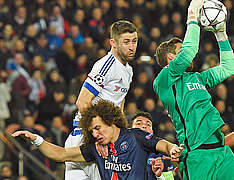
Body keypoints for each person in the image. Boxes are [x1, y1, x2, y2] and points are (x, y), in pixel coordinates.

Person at [152, 0, 234, 179]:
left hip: (221, 150)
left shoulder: (198, 77)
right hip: (196, 154)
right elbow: (190, 50)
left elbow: (229, 68)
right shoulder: (165, 79)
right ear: (171, 57)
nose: (187, 56)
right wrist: (192, 17)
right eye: (180, 51)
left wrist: (221, 34)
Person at [12, 100, 183, 180]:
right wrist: (36, 140)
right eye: (92, 130)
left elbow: (163, 144)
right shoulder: (96, 148)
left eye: (97, 128)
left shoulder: (135, 136)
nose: (95, 134)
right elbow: (61, 154)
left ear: (110, 121)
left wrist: (172, 149)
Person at [64, 20, 138, 180]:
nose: (132, 47)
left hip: (90, 138)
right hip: (88, 139)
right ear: (113, 43)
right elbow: (82, 102)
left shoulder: (128, 70)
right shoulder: (107, 65)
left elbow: (119, 104)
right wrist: (97, 136)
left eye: (134, 41)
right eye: (126, 42)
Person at [131, 111, 175, 180]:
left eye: (148, 125)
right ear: (130, 129)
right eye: (139, 123)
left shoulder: (162, 156)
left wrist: (159, 176)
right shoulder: (117, 150)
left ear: (152, 132)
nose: (144, 126)